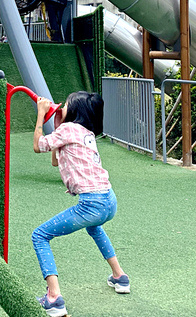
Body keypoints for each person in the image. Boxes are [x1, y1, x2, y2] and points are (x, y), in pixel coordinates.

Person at [31, 92, 128, 316]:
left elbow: (38, 146)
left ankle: (54, 298)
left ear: (74, 111)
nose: (62, 106)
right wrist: (57, 125)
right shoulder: (85, 132)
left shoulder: (68, 130)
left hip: (92, 203)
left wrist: (40, 115)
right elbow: (56, 161)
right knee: (94, 227)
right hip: (108, 200)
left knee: (40, 235)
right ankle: (119, 277)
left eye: (66, 104)